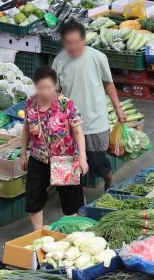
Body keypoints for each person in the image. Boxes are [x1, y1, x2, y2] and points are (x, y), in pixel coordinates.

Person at [52, 21, 127, 189]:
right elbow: (56, 92)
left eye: (76, 42)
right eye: (68, 43)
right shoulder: (59, 61)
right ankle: (73, 202)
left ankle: (108, 179)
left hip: (95, 120)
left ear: (84, 39)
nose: (73, 47)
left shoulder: (98, 57)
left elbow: (109, 83)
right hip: (69, 122)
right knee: (68, 162)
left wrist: (118, 109)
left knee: (97, 160)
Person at [20, 66, 88, 231]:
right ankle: (38, 234)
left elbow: (78, 132)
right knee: (33, 198)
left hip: (65, 159)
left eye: (48, 87)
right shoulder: (30, 103)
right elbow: (26, 129)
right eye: (41, 88)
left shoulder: (66, 104)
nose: (45, 92)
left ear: (55, 86)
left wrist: (83, 159)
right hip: (39, 158)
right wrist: (23, 154)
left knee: (71, 202)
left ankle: (71, 234)